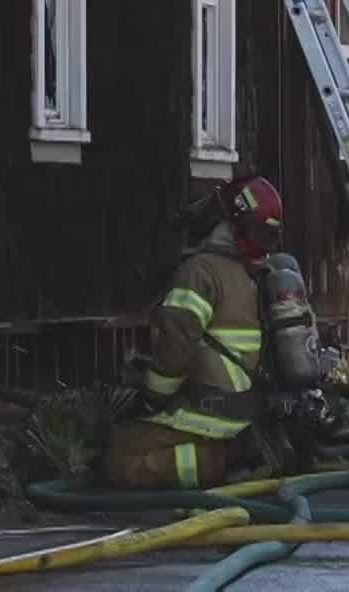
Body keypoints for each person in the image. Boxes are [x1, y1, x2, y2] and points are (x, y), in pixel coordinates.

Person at [103, 176, 282, 489]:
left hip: (214, 416)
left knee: (119, 457)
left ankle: (229, 461)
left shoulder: (200, 272)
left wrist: (149, 399)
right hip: (255, 413)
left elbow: (175, 350)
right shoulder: (266, 273)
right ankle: (245, 452)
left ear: (227, 221)